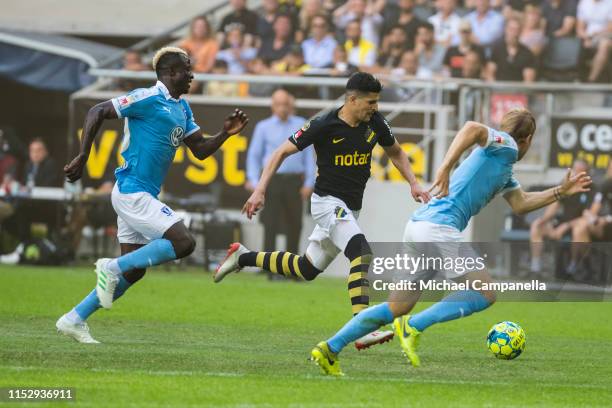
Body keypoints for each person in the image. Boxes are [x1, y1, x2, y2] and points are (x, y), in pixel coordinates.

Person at [309, 108, 592, 376]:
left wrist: (560, 191)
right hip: (438, 229)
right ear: (527, 139)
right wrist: (444, 168)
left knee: (397, 306)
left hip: (418, 227)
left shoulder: (503, 166)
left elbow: (520, 203)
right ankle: (413, 326)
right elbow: (471, 128)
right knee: (484, 293)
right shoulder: (506, 145)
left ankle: (330, 348)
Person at [214, 72, 431, 350]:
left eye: (377, 102)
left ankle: (243, 257)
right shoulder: (323, 123)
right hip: (327, 203)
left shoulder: (375, 121)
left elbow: (396, 151)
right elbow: (280, 152)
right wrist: (259, 189)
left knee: (306, 268)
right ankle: (361, 327)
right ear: (352, 99)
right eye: (371, 102)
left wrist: (413, 182)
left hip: (350, 209)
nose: (375, 107)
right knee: (361, 252)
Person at [55, 47, 249, 344]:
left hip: (140, 194)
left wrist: (225, 134)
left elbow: (199, 150)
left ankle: (74, 318)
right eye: (187, 69)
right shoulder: (147, 97)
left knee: (134, 272)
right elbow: (97, 111)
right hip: (132, 191)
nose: (192, 74)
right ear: (171, 73)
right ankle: (109, 267)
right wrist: (83, 156)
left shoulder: (182, 108)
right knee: (184, 242)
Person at [245, 89, 315, 267]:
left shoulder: (301, 125)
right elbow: (254, 156)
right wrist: (255, 182)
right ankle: (269, 266)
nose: (282, 108)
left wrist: (309, 182)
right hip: (272, 181)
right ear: (272, 106)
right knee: (270, 223)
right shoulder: (263, 126)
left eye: (286, 104)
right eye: (279, 104)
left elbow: (309, 156)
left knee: (295, 223)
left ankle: (292, 266)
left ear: (291, 106)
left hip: (294, 181)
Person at [529, 159, 593, 273]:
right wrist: (544, 220)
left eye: (580, 172)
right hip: (561, 223)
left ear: (586, 173)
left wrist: (566, 226)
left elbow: (588, 216)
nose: (576, 174)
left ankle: (574, 268)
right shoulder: (565, 186)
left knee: (579, 229)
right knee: (537, 225)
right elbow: (554, 206)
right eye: (575, 170)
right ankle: (535, 267)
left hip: (577, 226)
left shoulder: (590, 188)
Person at [576, 0, 612, 82]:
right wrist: (586, 37)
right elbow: (579, 27)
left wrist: (592, 36)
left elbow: (610, 28)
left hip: (606, 35)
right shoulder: (584, 3)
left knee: (605, 44)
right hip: (588, 37)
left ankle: (591, 80)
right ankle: (577, 77)